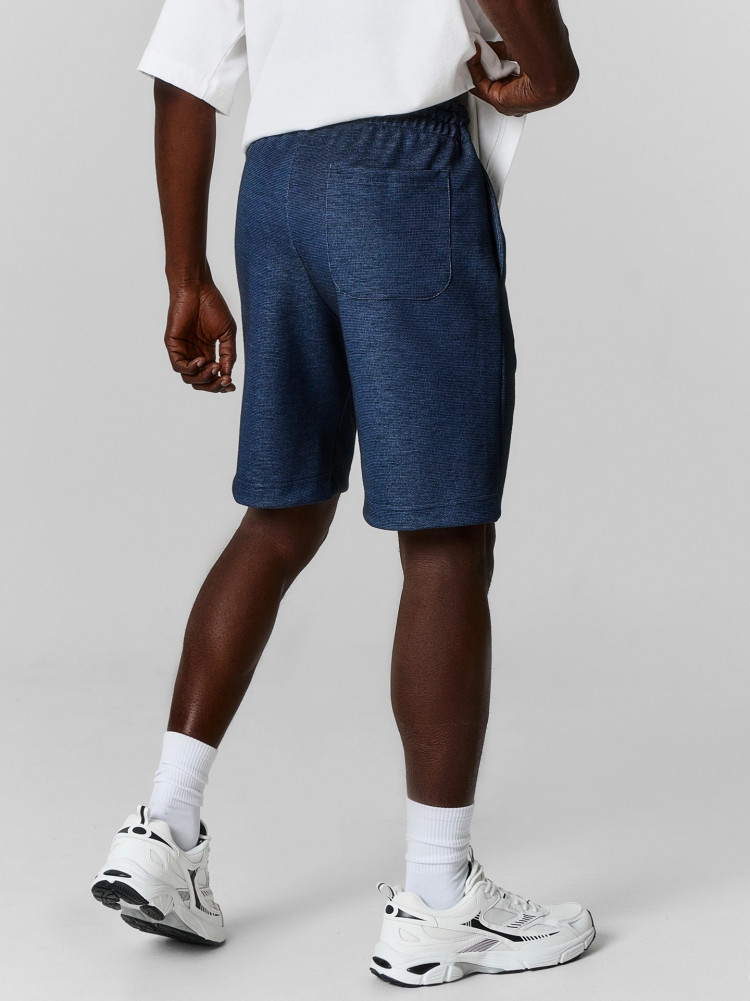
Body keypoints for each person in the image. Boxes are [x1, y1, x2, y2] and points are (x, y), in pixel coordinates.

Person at [91, 0, 592, 987]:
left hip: (275, 189)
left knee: (281, 513)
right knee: (446, 536)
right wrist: (553, 67)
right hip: (402, 176)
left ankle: (163, 825)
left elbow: (185, 71)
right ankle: (440, 898)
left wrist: (186, 273)